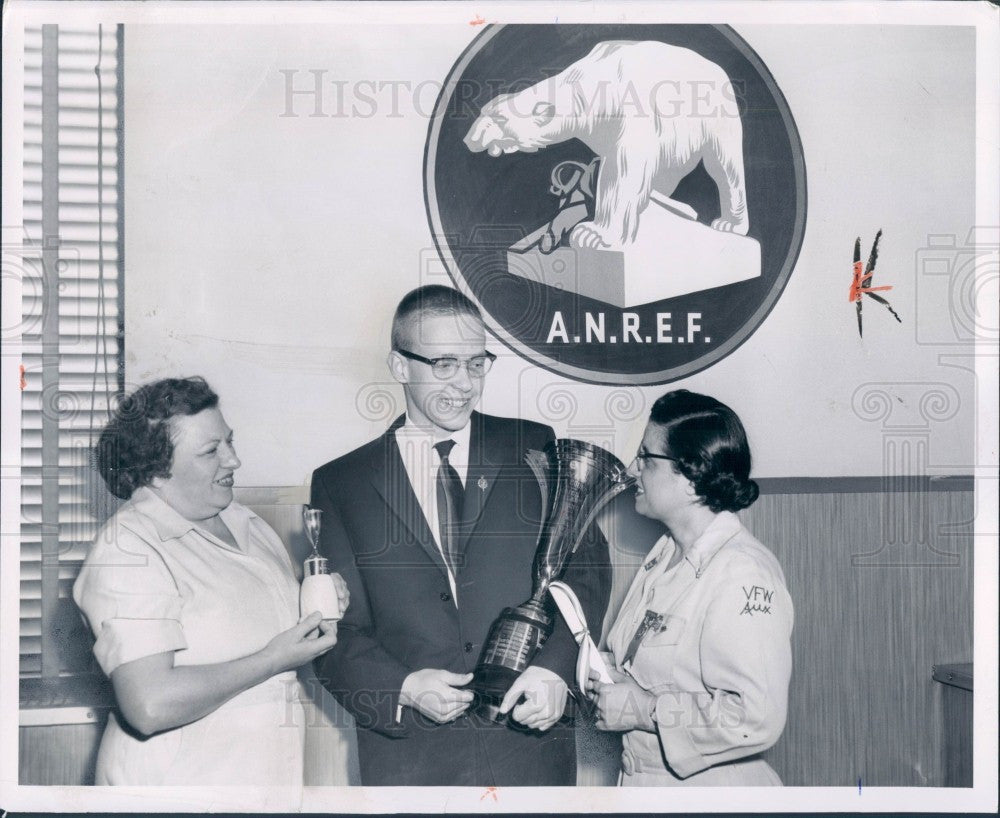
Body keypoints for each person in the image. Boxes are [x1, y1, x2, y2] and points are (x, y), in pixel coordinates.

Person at [310, 285, 611, 786]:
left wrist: (557, 669)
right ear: (400, 366)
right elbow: (333, 630)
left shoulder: (534, 446)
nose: (465, 384)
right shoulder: (341, 483)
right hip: (413, 761)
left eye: (477, 363)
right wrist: (403, 686)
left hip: (529, 750)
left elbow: (587, 570)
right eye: (443, 365)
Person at [73, 377, 346, 785]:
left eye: (230, 442)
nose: (233, 460)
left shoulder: (245, 523)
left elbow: (243, 620)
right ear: (157, 471)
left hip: (259, 780)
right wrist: (272, 659)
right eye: (210, 451)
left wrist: (313, 600)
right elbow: (149, 704)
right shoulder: (127, 549)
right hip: (174, 788)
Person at [589, 390, 792, 786]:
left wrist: (644, 710)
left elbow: (756, 717)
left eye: (646, 458)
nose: (634, 469)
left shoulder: (742, 574)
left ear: (691, 474)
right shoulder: (664, 555)